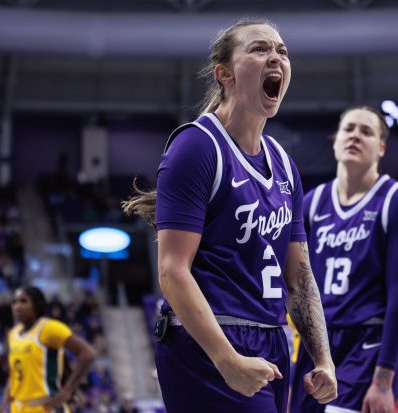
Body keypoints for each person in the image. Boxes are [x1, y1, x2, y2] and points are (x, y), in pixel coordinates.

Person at [122, 17, 337, 413]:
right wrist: (226, 359)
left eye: (282, 51)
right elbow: (172, 271)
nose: (275, 56)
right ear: (224, 74)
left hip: (272, 340)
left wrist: (322, 357)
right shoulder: (197, 147)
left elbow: (299, 276)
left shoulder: (285, 165)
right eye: (259, 49)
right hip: (207, 341)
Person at [290, 106, 398, 413]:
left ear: (381, 148)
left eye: (366, 131)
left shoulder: (395, 200)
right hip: (316, 342)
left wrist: (385, 380)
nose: (355, 136)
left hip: (366, 342)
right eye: (349, 129)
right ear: (335, 141)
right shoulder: (312, 203)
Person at [0, 286, 96, 413]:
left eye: (23, 301)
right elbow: (14, 373)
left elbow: (88, 354)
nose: (17, 306)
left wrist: (67, 391)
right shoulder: (13, 334)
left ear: (37, 305)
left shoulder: (49, 328)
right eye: (14, 302)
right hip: (18, 407)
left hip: (45, 407)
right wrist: (4, 402)